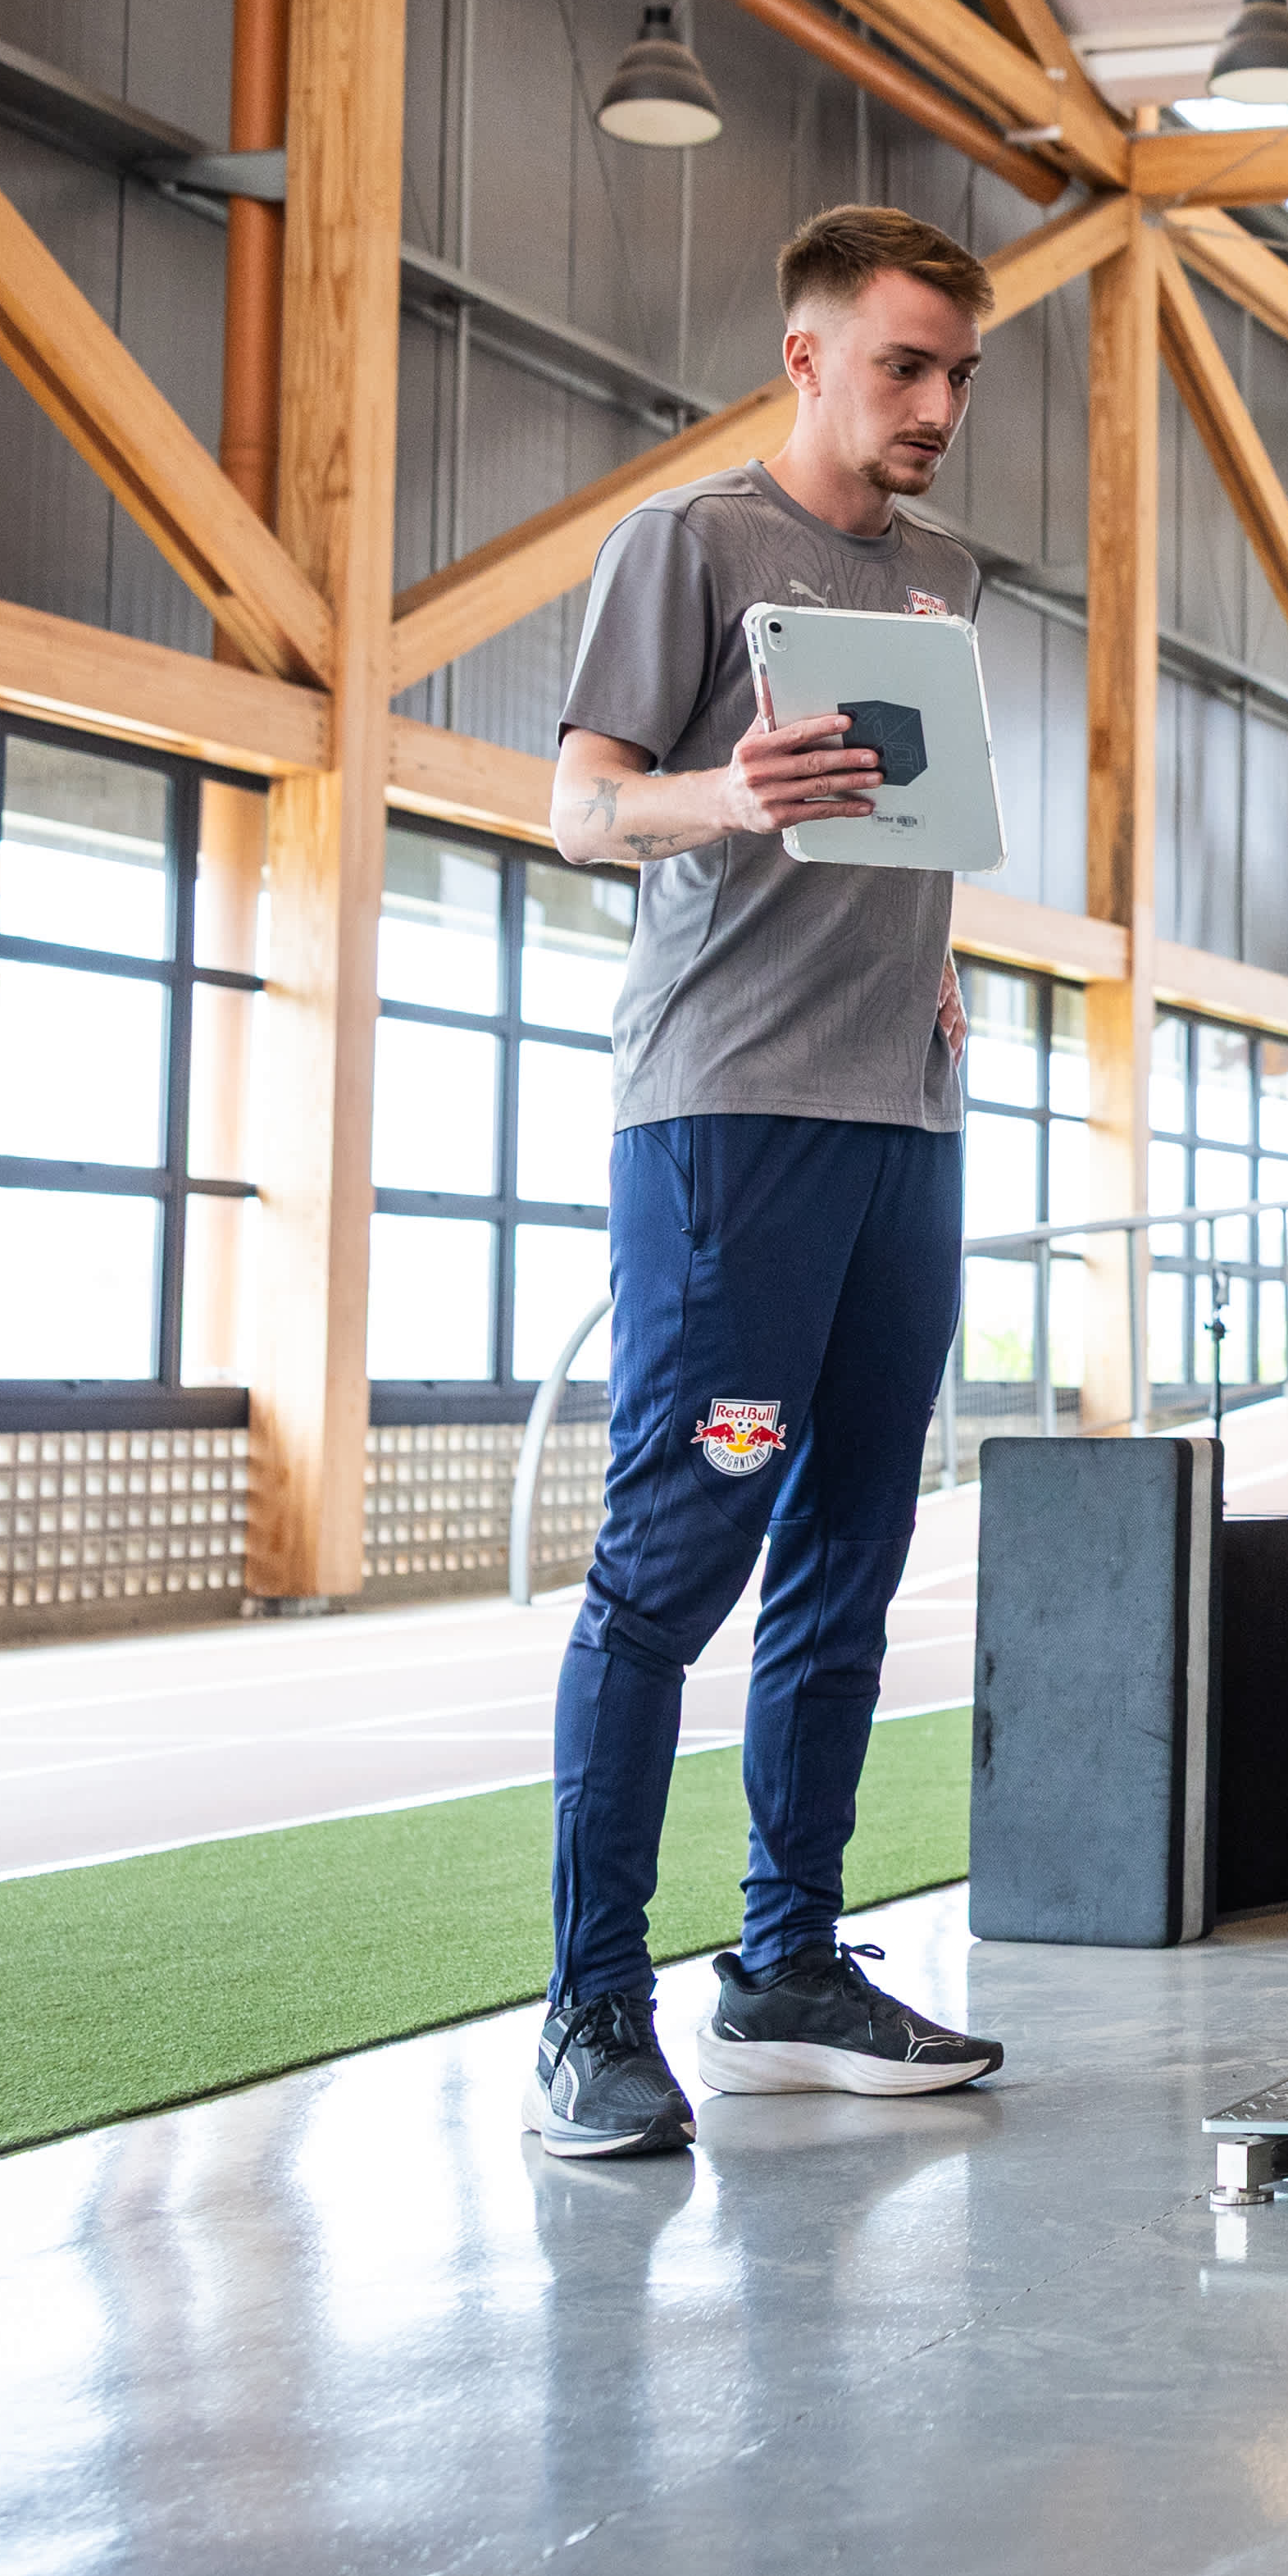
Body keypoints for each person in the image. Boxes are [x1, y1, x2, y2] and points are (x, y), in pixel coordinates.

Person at [528, 203, 1008, 2159]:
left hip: (906, 1125)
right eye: (905, 364)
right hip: (728, 1120)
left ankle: (788, 1968)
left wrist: (934, 961)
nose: (938, 404)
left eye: (959, 372)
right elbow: (578, 805)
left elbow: (908, 821)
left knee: (847, 1561)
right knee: (670, 1569)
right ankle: (588, 2009)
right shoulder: (694, 545)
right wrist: (724, 792)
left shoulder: (948, 576)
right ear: (807, 357)